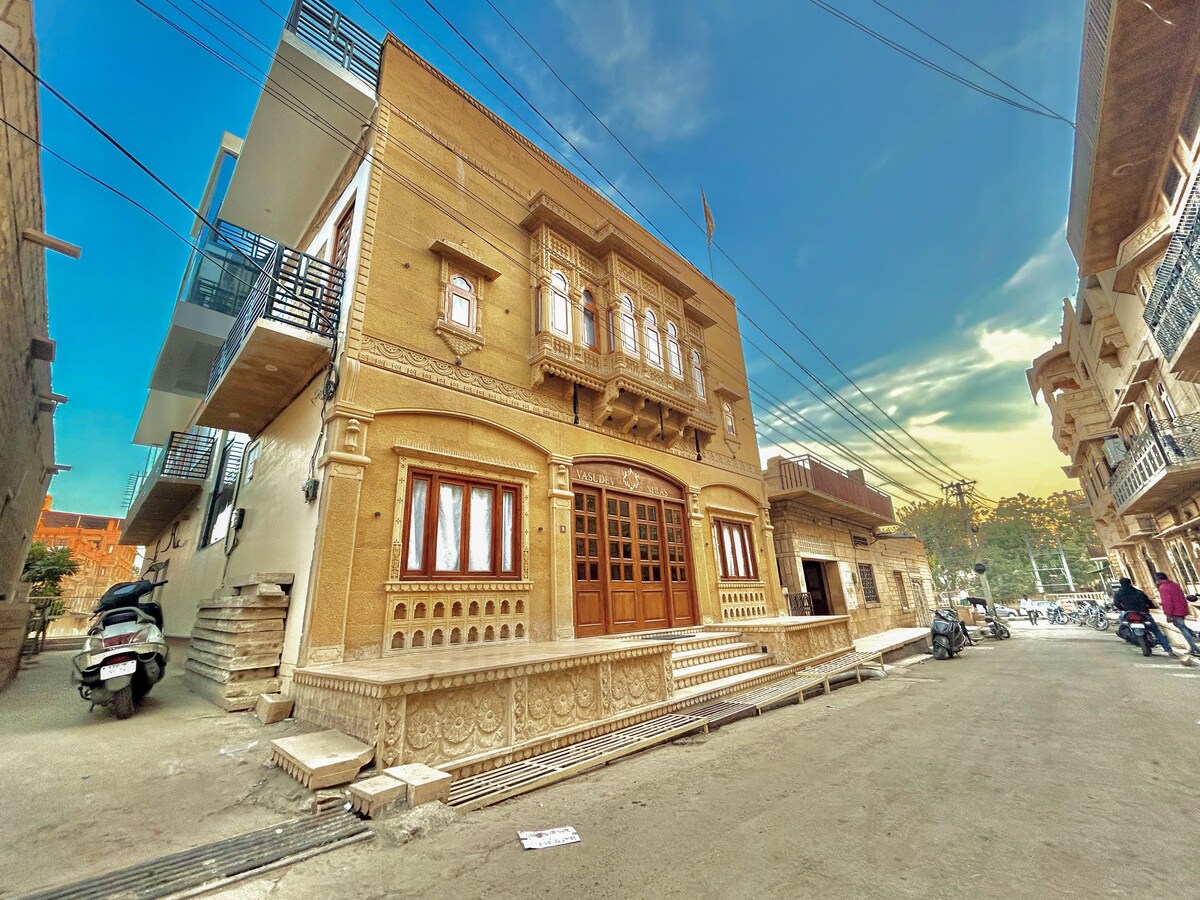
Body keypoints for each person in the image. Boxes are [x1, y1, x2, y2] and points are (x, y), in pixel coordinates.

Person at [1113, 577, 1176, 657]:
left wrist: (1123, 608)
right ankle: (1168, 650)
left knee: (1122, 621)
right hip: (1143, 613)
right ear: (1130, 583)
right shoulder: (1138, 592)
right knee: (1157, 632)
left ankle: (1125, 634)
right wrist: (1152, 606)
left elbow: (1116, 604)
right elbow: (1148, 602)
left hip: (1129, 613)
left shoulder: (1118, 593)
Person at [1153, 572, 1200, 657]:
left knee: (1183, 629)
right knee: (1181, 626)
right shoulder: (1175, 585)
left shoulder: (1163, 588)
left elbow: (1167, 602)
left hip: (1175, 611)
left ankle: (1195, 649)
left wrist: (1168, 614)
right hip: (1182, 609)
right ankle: (1195, 634)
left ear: (1158, 579)